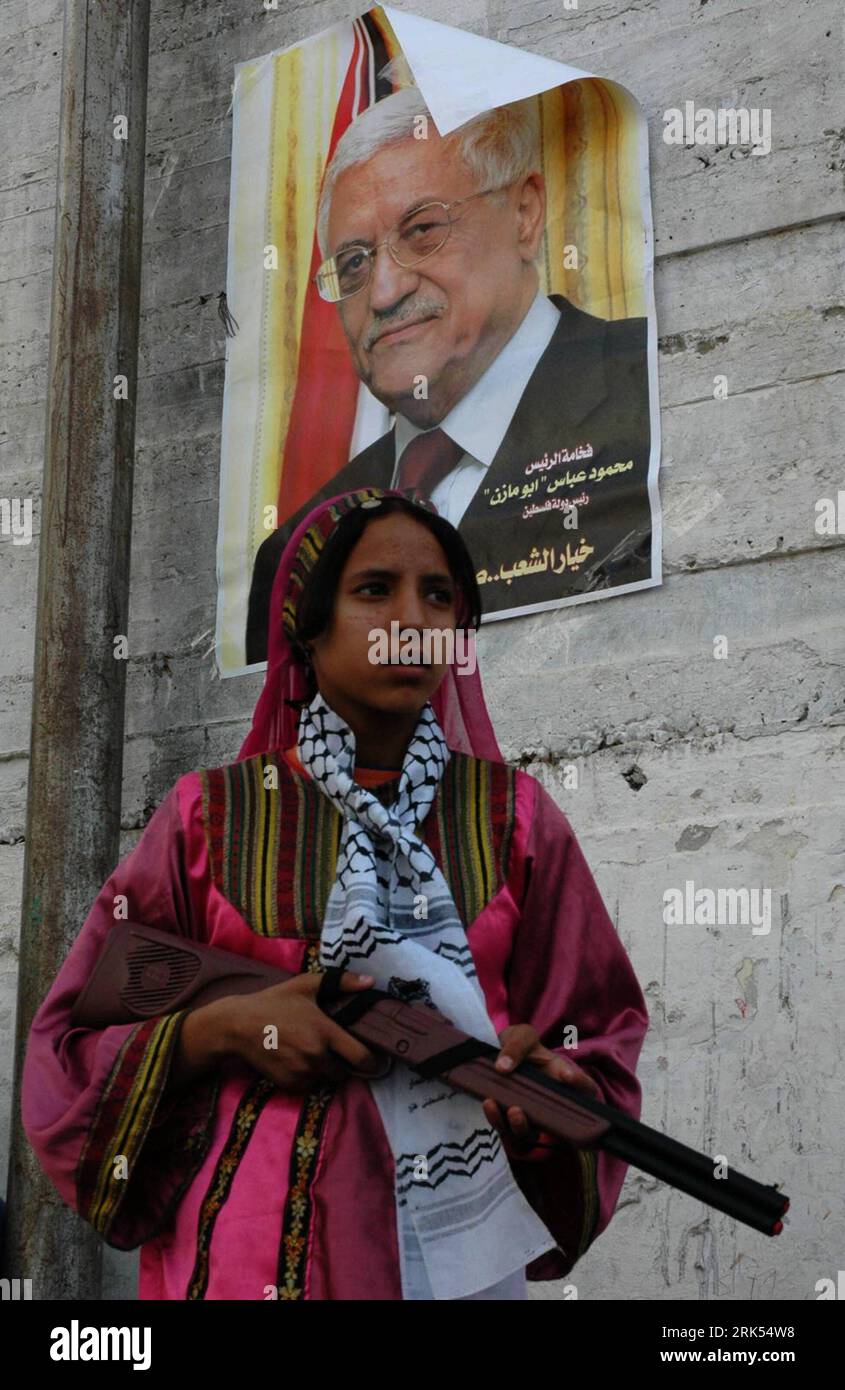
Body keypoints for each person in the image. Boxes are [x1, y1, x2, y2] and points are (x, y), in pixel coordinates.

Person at [22, 486, 649, 1300]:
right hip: (237, 1264)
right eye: (373, 590)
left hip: (454, 1269)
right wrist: (220, 1029)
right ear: (306, 627)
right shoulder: (207, 815)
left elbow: (595, 1036)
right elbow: (67, 1046)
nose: (411, 620)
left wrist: (547, 1091)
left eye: (438, 596)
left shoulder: (516, 820)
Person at [246, 85, 651, 661]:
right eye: (354, 262)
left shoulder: (659, 385)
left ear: (524, 213)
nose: (384, 291)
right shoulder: (298, 551)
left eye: (422, 231)